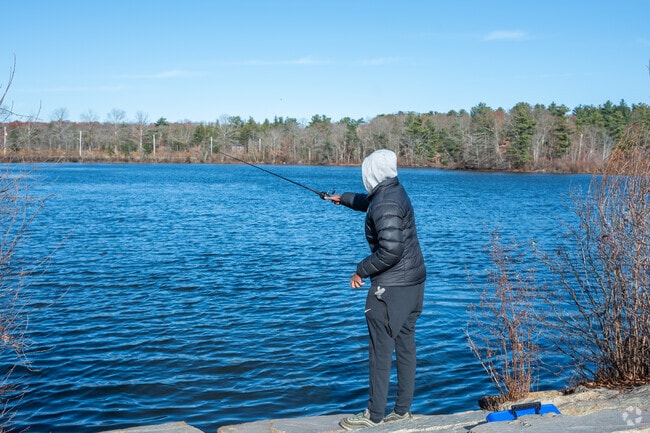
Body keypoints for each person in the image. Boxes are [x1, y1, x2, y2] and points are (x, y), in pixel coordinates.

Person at [325, 149, 426, 430]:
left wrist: (361, 270)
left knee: (380, 350)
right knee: (405, 345)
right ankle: (402, 411)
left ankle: (374, 415)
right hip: (413, 284)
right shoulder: (393, 190)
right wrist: (342, 198)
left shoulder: (384, 204)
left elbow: (390, 250)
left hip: (390, 288)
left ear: (371, 173)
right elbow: (372, 203)